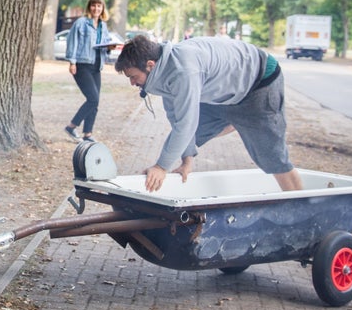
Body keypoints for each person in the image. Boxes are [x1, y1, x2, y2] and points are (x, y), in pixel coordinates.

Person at [114, 34, 303, 193]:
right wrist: (186, 162)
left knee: (271, 157)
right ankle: (240, 123)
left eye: (133, 76)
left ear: (150, 65)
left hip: (259, 82)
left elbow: (186, 126)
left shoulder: (183, 71)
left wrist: (161, 167)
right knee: (185, 132)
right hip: (227, 92)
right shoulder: (164, 75)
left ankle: (302, 210)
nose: (132, 83)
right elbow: (178, 121)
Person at [63, 0, 112, 142]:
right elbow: (72, 41)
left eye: (99, 6)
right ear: (89, 7)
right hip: (82, 65)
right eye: (93, 6)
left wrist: (109, 48)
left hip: (97, 66)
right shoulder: (81, 23)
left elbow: (105, 46)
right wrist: (72, 62)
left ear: (102, 9)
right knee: (93, 98)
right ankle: (71, 127)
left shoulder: (103, 26)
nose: (96, 9)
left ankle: (87, 134)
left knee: (95, 101)